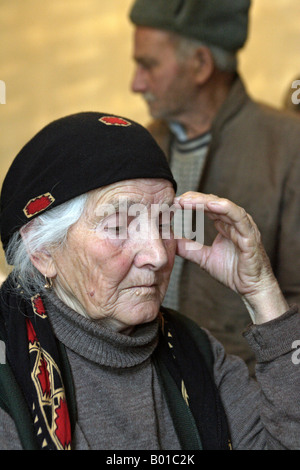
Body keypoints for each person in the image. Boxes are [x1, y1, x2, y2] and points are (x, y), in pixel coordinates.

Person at [0, 112, 299, 451]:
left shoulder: (197, 351)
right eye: (118, 226)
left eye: (165, 222)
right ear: (42, 251)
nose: (157, 255)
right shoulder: (8, 377)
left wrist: (261, 290)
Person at [129, 0, 300, 374]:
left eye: (149, 65)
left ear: (202, 64)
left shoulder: (289, 148)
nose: (136, 84)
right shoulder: (142, 146)